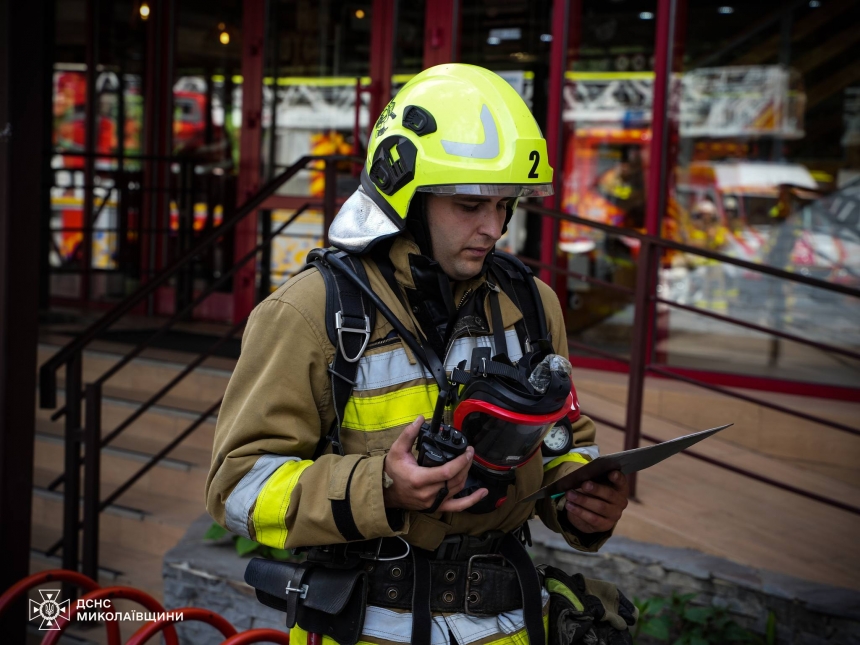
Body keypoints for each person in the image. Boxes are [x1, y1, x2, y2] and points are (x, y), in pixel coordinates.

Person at [206, 64, 632, 645]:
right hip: (366, 628)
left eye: (507, 205)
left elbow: (562, 441)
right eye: (469, 204)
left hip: (509, 627)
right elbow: (238, 490)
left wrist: (582, 496)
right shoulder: (309, 312)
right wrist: (380, 487)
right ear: (403, 194)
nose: (494, 228)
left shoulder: (532, 305)